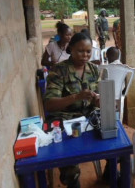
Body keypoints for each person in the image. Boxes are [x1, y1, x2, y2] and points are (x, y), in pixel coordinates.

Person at [44, 33, 100, 188]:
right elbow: (49, 105)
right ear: (71, 50)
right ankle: (72, 180)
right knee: (70, 168)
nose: (85, 55)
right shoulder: (59, 70)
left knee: (114, 143)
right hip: (64, 119)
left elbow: (97, 99)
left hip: (88, 117)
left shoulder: (93, 70)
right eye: (80, 51)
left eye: (88, 51)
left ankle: (110, 175)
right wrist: (76, 97)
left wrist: (99, 100)